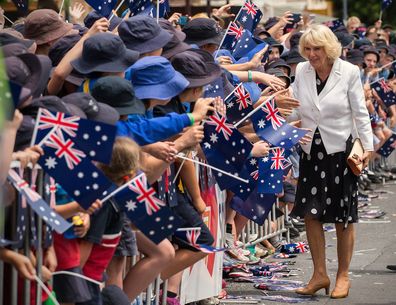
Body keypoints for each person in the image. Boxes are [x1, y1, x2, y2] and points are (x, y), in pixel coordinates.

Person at [289, 24, 373, 299]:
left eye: (317, 49)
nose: (312, 54)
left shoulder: (348, 72)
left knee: (343, 217)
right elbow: (293, 105)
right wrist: (273, 109)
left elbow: (360, 113)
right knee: (311, 214)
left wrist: (368, 147)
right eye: (308, 49)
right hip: (311, 150)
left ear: (329, 48)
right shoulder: (301, 70)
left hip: (341, 151)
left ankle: (343, 276)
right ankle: (319, 274)